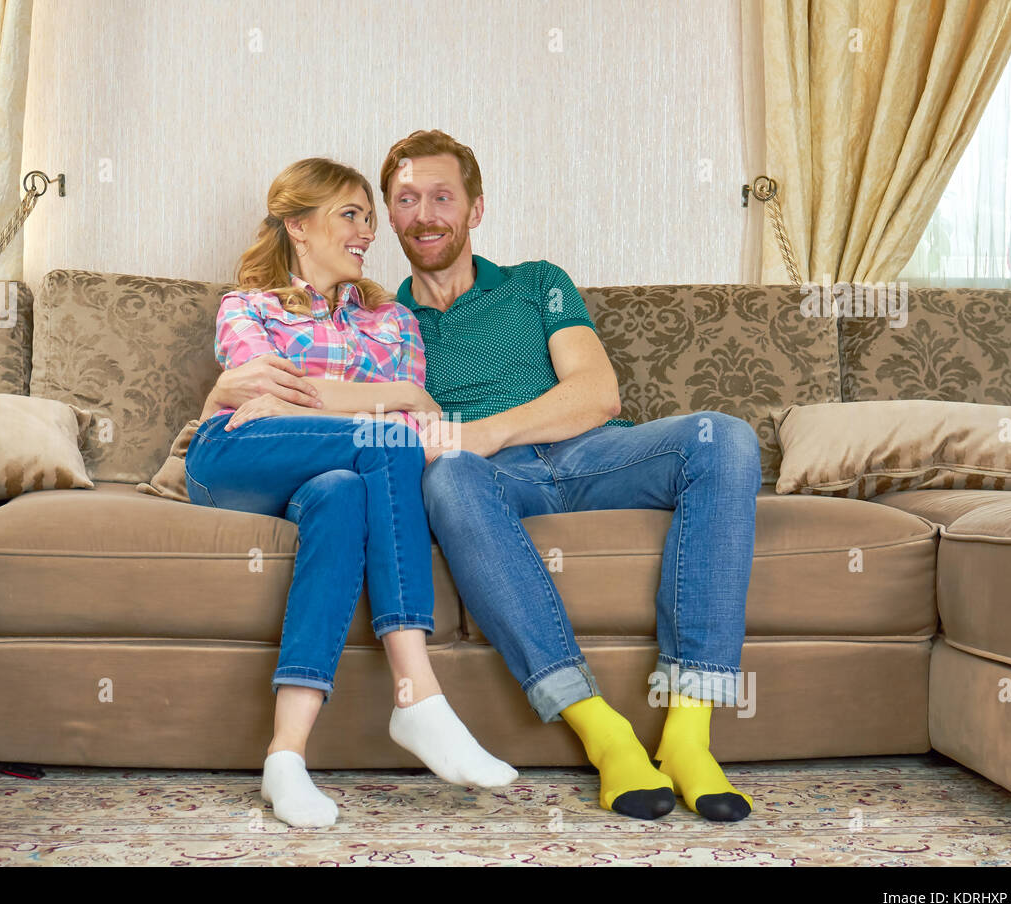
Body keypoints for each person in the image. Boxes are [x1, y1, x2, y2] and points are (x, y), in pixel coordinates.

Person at [202, 133, 759, 823]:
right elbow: (347, 414)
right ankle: (603, 732)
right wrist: (226, 397)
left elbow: (597, 394)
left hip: (594, 455)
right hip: (481, 483)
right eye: (404, 201)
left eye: (443, 197)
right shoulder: (386, 315)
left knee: (723, 438)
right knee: (449, 476)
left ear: (476, 208)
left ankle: (689, 734)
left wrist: (480, 431)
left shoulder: (535, 284)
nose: (424, 214)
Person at [187, 157, 517, 829]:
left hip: (323, 474)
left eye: (370, 216)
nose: (368, 230)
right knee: (382, 444)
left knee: (344, 493)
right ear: (297, 227)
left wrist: (362, 406)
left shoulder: (393, 320)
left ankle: (285, 757)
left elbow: (411, 426)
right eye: (350, 214)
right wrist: (391, 393)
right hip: (234, 457)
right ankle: (418, 695)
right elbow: (266, 398)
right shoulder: (248, 306)